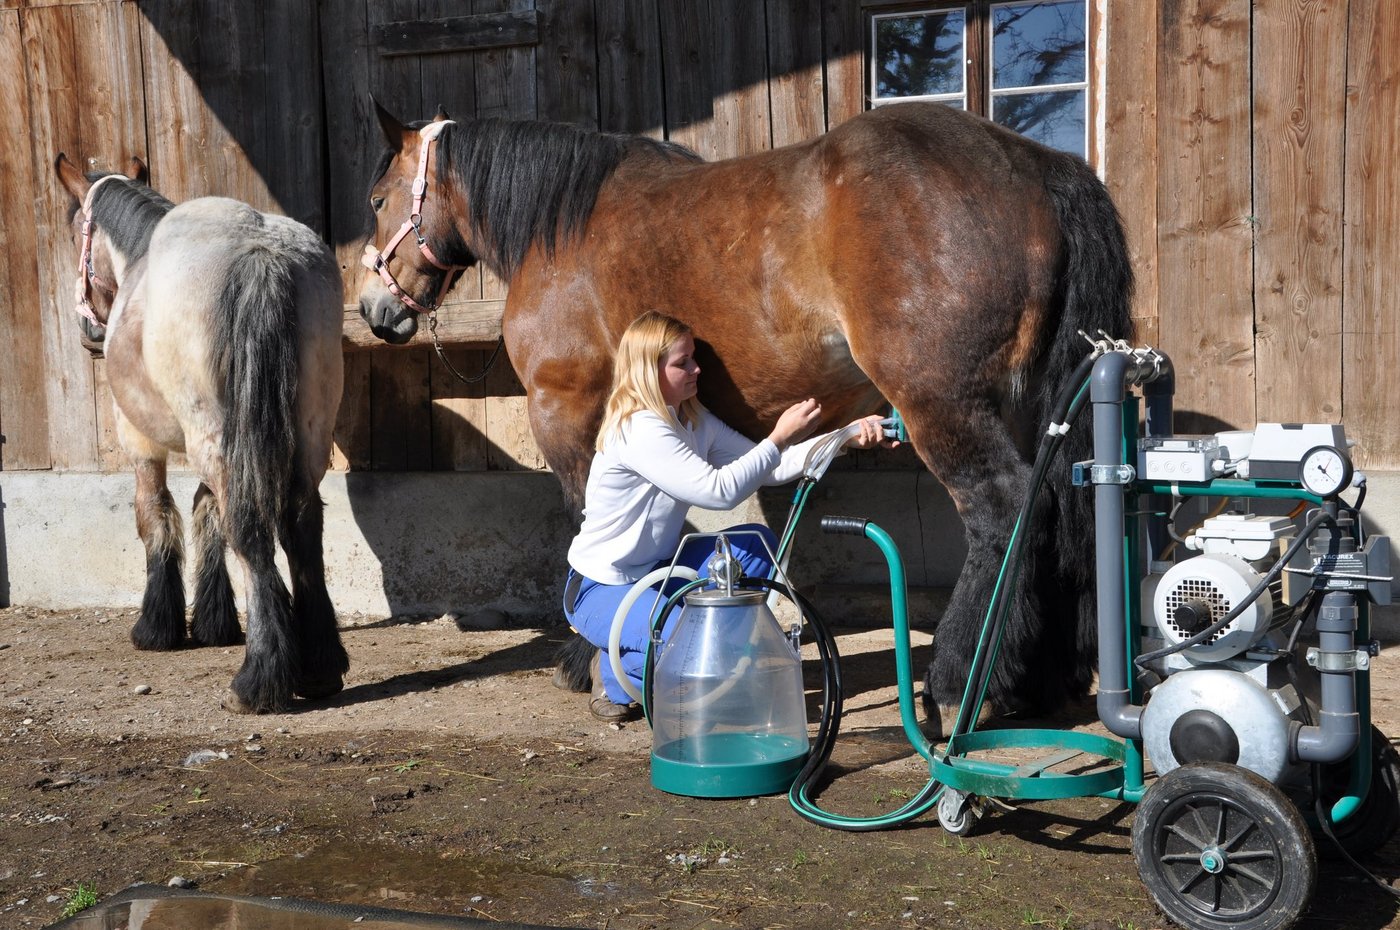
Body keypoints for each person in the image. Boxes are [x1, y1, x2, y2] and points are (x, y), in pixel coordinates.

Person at [562, 310, 895, 721]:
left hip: (660, 572)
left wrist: (845, 436)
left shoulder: (693, 420)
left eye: (693, 358)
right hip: (600, 587)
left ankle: (701, 650)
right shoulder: (639, 429)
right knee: (687, 654)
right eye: (683, 362)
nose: (696, 369)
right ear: (649, 370)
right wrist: (778, 436)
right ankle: (613, 668)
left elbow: (770, 467)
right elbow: (718, 492)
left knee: (754, 546)